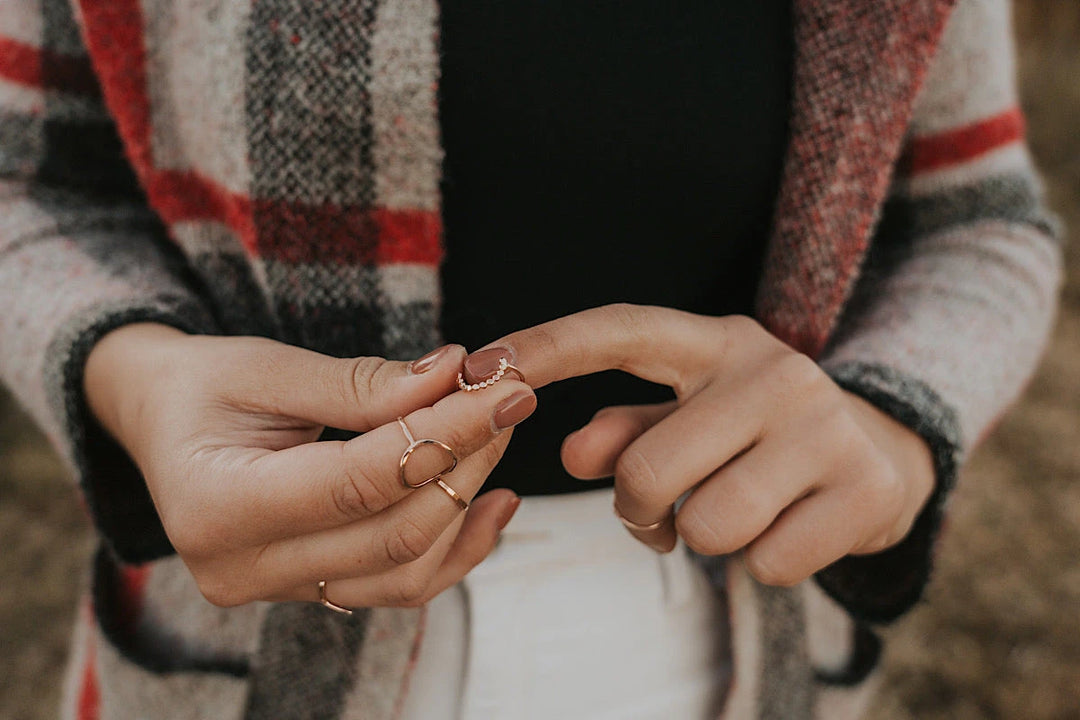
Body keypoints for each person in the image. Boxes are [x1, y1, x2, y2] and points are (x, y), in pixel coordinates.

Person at [0, 0, 1062, 718]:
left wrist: (894, 428)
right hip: (258, 642)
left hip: (733, 641)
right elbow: (27, 180)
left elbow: (978, 220)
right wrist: (134, 380)